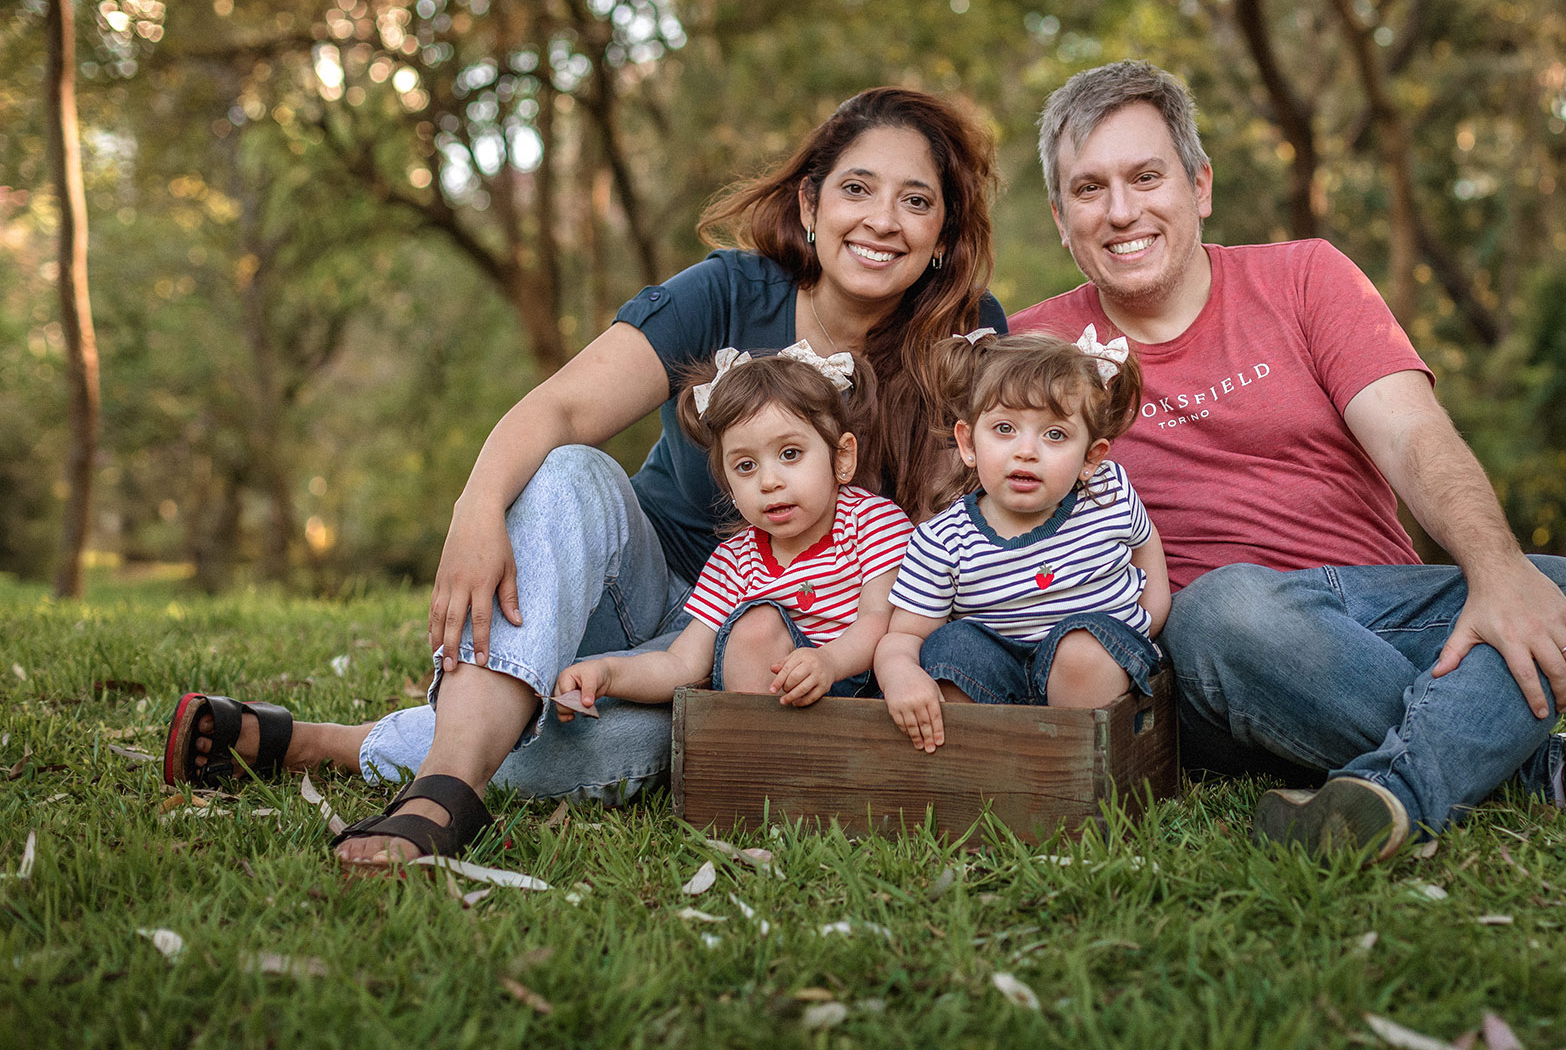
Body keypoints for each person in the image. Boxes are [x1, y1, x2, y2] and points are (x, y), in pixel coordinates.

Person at [162, 87, 1006, 869]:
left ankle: (325, 743)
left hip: (795, 661)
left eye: (917, 200)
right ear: (809, 205)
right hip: (646, 599)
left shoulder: (966, 341)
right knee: (568, 471)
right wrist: (476, 509)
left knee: (627, 755)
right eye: (858, 189)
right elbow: (561, 410)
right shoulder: (727, 292)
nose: (883, 221)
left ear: (943, 235)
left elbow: (980, 521)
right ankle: (446, 790)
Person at [1011, 60, 1566, 860]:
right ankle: (1536, 770)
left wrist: (1494, 571)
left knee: (1565, 588)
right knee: (1222, 607)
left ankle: (1391, 793)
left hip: (1377, 618)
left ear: (1200, 186)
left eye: (1147, 176)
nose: (1121, 211)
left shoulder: (1305, 276)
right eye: (1088, 188)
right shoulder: (1034, 352)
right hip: (1219, 663)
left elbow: (1414, 435)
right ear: (1058, 215)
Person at [552, 345, 911, 715]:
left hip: (857, 693)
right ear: (728, 485)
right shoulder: (734, 560)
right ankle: (756, 756)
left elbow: (878, 621)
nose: (769, 481)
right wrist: (609, 673)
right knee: (757, 626)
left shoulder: (870, 522)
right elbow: (682, 665)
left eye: (790, 453)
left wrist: (829, 662)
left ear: (842, 456)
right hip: (763, 702)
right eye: (745, 466)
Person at [875, 329, 1170, 752]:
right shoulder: (943, 539)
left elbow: (1145, 544)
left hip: (1094, 672)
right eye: (1004, 428)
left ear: (1091, 457)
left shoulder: (1108, 495)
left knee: (1082, 648)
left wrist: (1149, 618)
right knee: (948, 645)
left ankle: (1076, 770)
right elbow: (904, 636)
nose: (1026, 451)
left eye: (1054, 435)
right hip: (996, 683)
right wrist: (900, 673)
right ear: (967, 442)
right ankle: (990, 768)